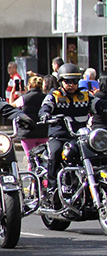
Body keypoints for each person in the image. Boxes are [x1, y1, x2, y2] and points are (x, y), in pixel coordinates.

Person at [38, 63, 102, 191]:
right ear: (61, 81)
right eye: (67, 81)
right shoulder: (54, 95)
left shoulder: (85, 96)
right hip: (60, 136)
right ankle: (52, 188)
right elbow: (44, 108)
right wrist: (45, 115)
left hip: (80, 137)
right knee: (54, 153)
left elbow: (100, 105)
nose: (71, 84)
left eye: (75, 81)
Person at [18, 74, 48, 170]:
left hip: (28, 133)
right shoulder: (46, 97)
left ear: (29, 86)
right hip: (44, 132)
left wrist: (18, 92)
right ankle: (44, 181)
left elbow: (11, 106)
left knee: (30, 158)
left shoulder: (24, 98)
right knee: (42, 158)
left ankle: (33, 181)